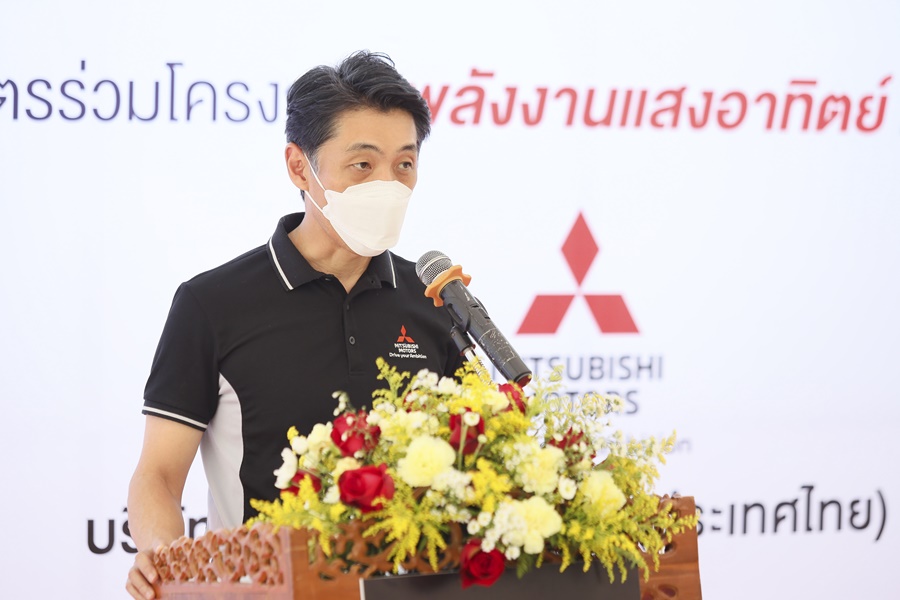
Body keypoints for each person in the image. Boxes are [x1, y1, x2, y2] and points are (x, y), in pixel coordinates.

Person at [125, 51, 464, 600]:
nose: (388, 183)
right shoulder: (212, 303)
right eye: (363, 165)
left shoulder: (434, 300)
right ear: (299, 167)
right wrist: (165, 557)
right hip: (262, 589)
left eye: (404, 164)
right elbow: (158, 475)